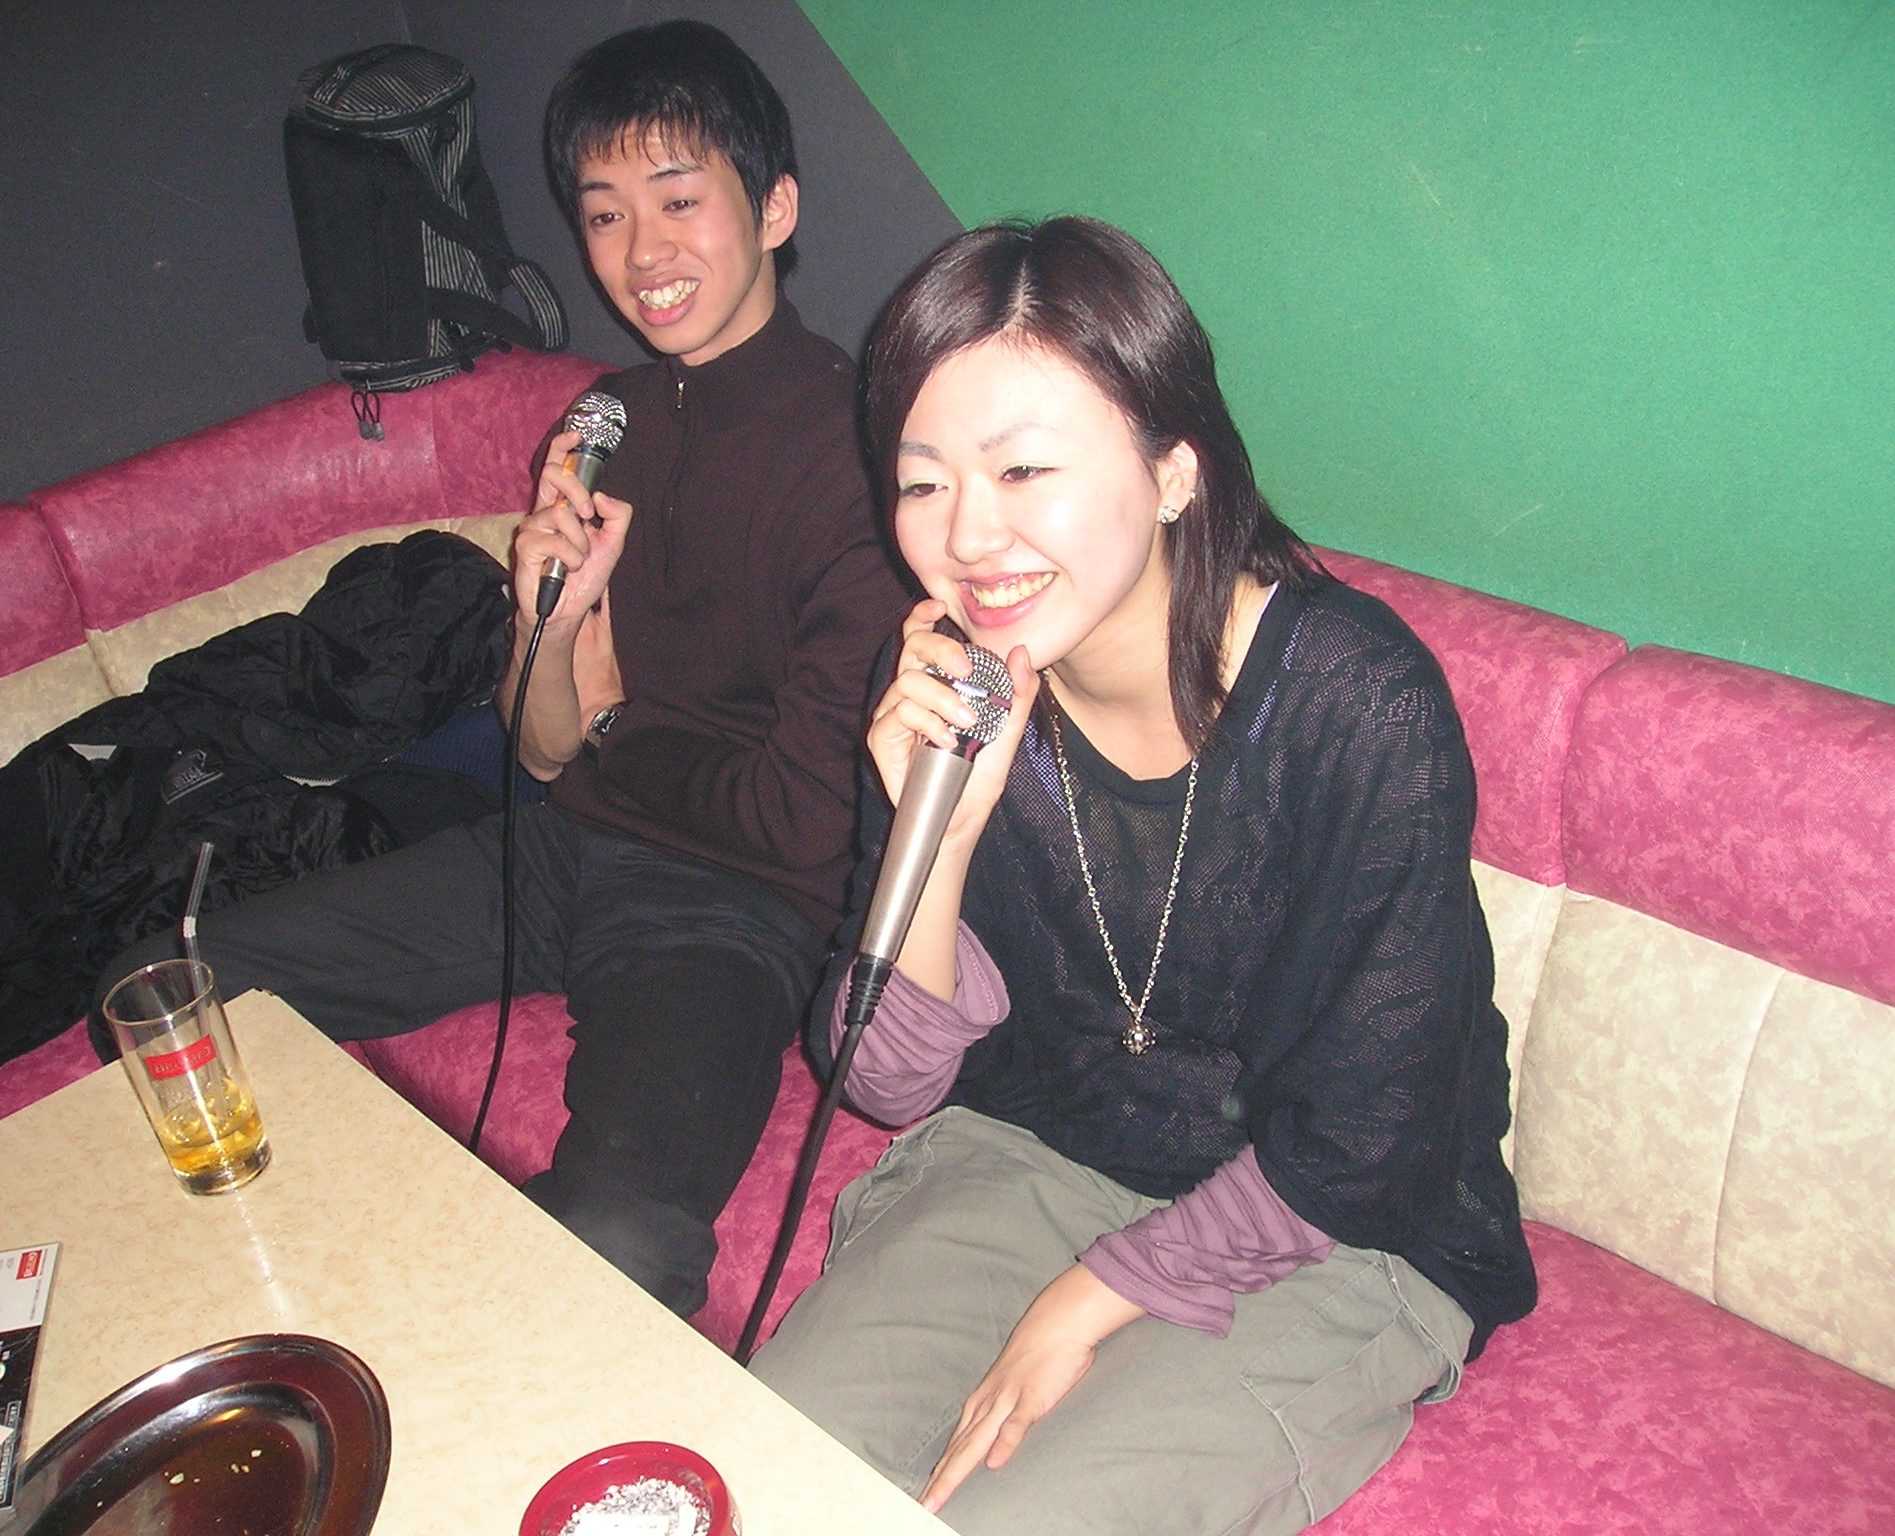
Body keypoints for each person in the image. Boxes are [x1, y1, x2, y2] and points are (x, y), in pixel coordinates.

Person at [99, 21, 906, 1316]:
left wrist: (613, 728)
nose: (641, 252)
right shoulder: (606, 425)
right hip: (563, 846)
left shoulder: (868, 465)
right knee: (166, 995)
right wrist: (552, 622)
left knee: (619, 1238)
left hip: (734, 906)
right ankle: (301, 1309)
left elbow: (804, 822)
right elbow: (540, 750)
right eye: (604, 213)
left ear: (775, 208)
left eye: (679, 200)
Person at [749, 218, 1536, 1535]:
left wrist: (1089, 1295)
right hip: (1037, 1154)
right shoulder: (952, 684)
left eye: (1024, 469)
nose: (969, 536)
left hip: (1335, 1224)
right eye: (924, 482)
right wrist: (940, 838)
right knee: (772, 1476)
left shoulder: (1355, 703)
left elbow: (1366, 1141)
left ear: (1173, 472)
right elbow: (883, 1082)